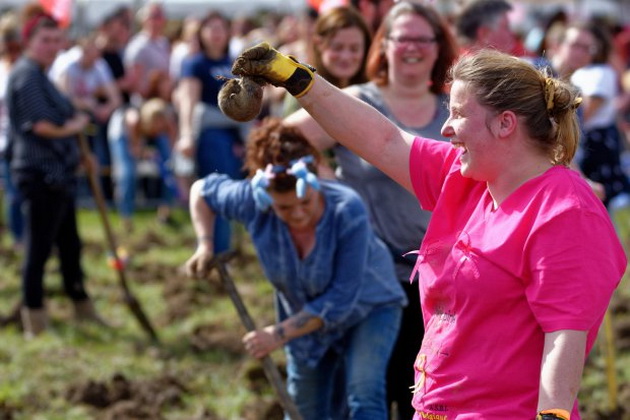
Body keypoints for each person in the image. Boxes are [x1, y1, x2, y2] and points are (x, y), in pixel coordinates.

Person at [230, 42, 626, 419]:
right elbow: (383, 140)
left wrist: (552, 416)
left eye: (457, 114)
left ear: (505, 123)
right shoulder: (467, 178)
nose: (447, 129)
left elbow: (565, 336)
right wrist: (298, 79)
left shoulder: (565, 211)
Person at [284, 3, 457, 419]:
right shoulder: (359, 102)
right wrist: (329, 185)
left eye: (423, 38)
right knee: (368, 393)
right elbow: (283, 140)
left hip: (444, 284)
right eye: (402, 38)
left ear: (438, 48)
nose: (412, 47)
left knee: (431, 396)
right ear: (385, 45)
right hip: (368, 275)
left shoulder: (457, 108)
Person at [184, 117, 406, 420]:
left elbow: (341, 298)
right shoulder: (252, 201)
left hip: (370, 307)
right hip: (303, 313)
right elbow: (201, 191)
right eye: (285, 208)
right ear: (265, 197)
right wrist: (205, 244)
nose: (299, 214)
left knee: (363, 394)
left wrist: (276, 334)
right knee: (304, 408)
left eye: (306, 202)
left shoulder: (346, 209)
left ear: (314, 183)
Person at [6, 13, 106, 338]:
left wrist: (80, 153)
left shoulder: (42, 74)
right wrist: (73, 127)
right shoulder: (27, 76)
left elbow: (59, 112)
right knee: (38, 249)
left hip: (59, 174)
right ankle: (34, 319)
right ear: (29, 42)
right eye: (44, 40)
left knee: (71, 245)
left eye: (55, 40)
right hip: (40, 175)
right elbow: (40, 126)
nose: (51, 47)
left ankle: (81, 305)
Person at [176, 11, 248, 253]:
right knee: (218, 193)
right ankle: (216, 254)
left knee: (236, 193)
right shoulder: (195, 64)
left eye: (221, 28)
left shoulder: (234, 63)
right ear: (202, 33)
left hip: (235, 137)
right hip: (211, 137)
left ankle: (230, 250)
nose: (217, 33)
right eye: (211, 28)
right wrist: (186, 135)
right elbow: (188, 100)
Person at [570, 22, 630, 211]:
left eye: (587, 47)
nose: (582, 52)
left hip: (596, 147)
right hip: (592, 145)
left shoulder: (600, 73)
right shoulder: (586, 72)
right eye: (577, 46)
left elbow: (583, 114)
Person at [282, 5, 372, 117]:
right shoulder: (301, 90)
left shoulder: (374, 94)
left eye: (354, 49)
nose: (345, 56)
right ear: (319, 44)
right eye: (337, 47)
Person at [107, 98, 177, 232]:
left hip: (141, 135)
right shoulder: (134, 119)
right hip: (122, 134)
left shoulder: (165, 121)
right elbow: (134, 151)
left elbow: (172, 145)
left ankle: (165, 214)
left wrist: (169, 160)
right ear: (150, 120)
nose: (159, 128)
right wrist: (144, 153)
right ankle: (126, 219)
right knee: (127, 174)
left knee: (169, 168)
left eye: (161, 125)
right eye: (157, 124)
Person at [0, 11, 23, 250]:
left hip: (26, 140)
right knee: (13, 194)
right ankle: (18, 238)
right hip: (4, 141)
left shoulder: (29, 70)